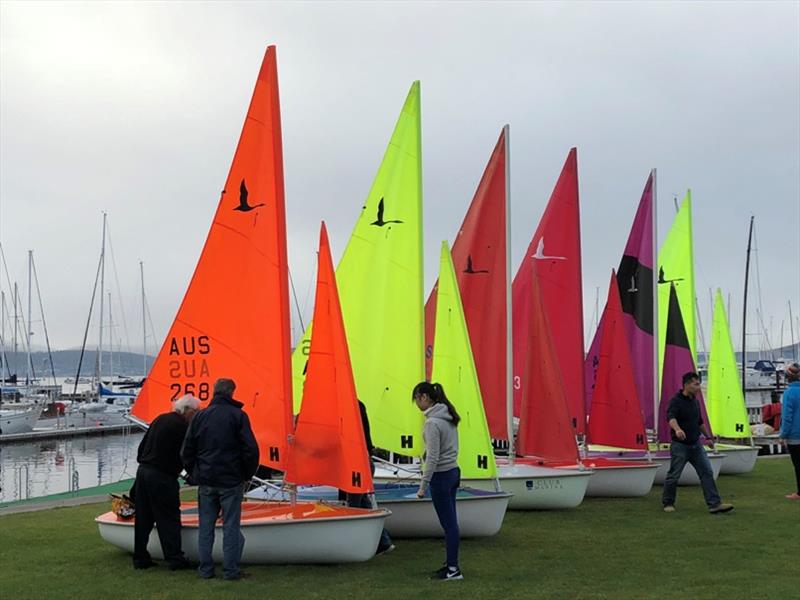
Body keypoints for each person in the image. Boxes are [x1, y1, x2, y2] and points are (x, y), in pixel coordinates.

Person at [181, 378, 259, 580]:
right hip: (230, 480)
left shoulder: (200, 417)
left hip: (206, 480)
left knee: (205, 528)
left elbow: (187, 451)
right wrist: (246, 475)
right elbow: (250, 450)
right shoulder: (238, 416)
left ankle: (205, 570)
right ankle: (231, 571)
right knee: (230, 527)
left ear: (214, 392)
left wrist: (195, 474)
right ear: (232, 392)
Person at [132, 394, 200, 570]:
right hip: (162, 476)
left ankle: (140, 557)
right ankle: (175, 559)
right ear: (188, 411)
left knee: (144, 518)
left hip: (143, 471)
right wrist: (192, 475)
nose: (197, 415)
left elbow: (142, 448)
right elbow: (187, 454)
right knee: (168, 518)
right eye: (196, 411)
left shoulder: (160, 419)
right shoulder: (182, 427)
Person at [662, 372, 734, 514]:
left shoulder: (695, 401)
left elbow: (699, 422)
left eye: (699, 384)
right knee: (674, 475)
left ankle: (714, 504)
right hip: (680, 446)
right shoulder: (675, 400)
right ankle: (668, 503)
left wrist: (708, 437)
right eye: (696, 384)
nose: (698, 387)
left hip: (696, 445)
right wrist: (677, 429)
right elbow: (670, 417)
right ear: (687, 384)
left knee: (707, 472)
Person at [412, 381, 463, 581]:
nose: (416, 404)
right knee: (451, 524)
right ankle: (450, 563)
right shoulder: (448, 415)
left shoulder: (432, 423)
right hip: (453, 472)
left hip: (441, 477)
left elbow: (433, 457)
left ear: (424, 397)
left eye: (416, 399)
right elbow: (441, 448)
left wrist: (422, 487)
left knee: (449, 525)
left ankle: (453, 570)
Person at [343, 400, 394, 555]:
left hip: (358, 463)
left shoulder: (351, 406)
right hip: (360, 461)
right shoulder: (355, 405)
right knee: (363, 503)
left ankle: (354, 545)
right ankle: (383, 542)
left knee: (355, 507)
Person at [779, 362, 800, 500]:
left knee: (798, 464)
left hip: (794, 435)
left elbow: (787, 416)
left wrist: (783, 435)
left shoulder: (789, 393)